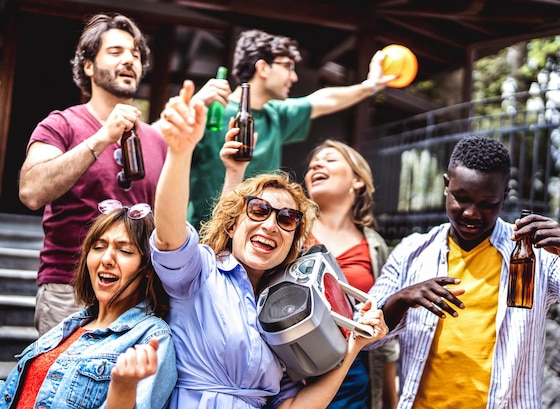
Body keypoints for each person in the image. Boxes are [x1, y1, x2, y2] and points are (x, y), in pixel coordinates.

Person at [150, 80, 389, 408]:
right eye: (259, 210)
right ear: (234, 225)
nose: (270, 224)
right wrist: (180, 152)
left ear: (293, 243)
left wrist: (354, 348)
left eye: (287, 218)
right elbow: (168, 232)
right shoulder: (201, 272)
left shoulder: (285, 308)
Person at [365, 135, 560, 409]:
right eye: (461, 198)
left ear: (504, 196)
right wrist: (403, 299)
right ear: (446, 186)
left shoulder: (533, 255)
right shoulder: (411, 252)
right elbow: (365, 336)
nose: (471, 213)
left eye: (487, 203)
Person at [17, 13, 229, 335]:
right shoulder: (62, 124)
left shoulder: (157, 139)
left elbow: (166, 219)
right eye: (116, 52)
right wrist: (102, 137)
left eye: (136, 54)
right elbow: (31, 191)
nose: (130, 60)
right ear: (88, 66)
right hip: (70, 290)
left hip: (139, 296)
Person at [188, 28, 397, 228]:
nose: (294, 77)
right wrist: (192, 107)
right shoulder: (209, 112)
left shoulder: (276, 114)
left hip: (258, 239)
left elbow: (324, 100)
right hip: (205, 240)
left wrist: (371, 86)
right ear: (262, 68)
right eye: (287, 66)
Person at [0, 200, 177, 409]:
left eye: (125, 251)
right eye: (99, 247)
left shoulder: (152, 339)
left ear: (148, 268)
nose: (107, 259)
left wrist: (122, 389)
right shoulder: (69, 326)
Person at [303, 140, 399, 409]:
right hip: (293, 377)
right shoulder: (290, 230)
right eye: (313, 164)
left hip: (355, 382)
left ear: (357, 181)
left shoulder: (376, 246)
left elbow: (385, 340)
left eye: (330, 159)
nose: (316, 165)